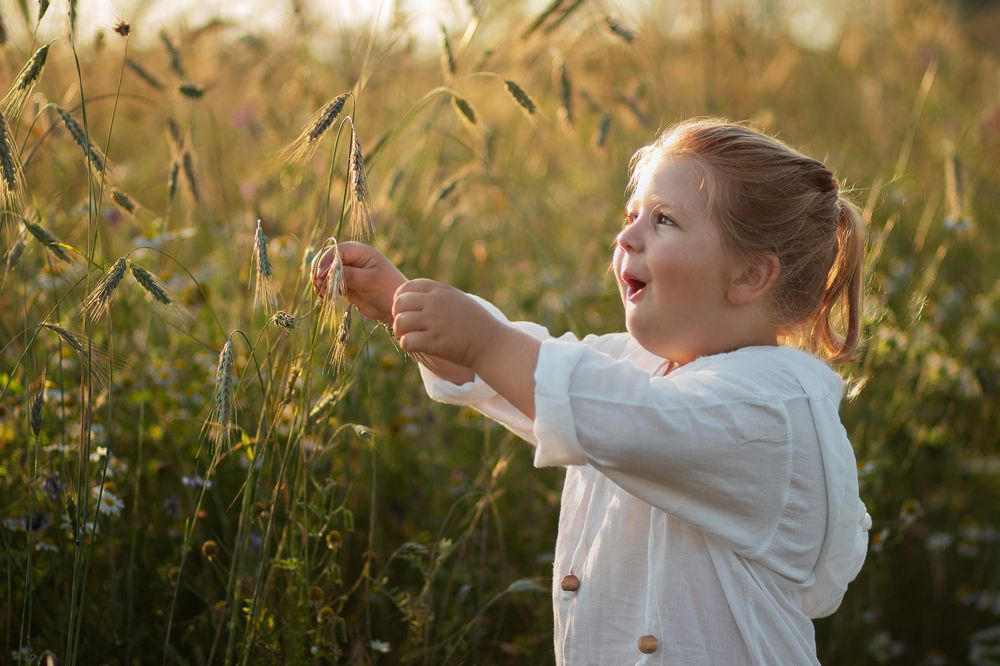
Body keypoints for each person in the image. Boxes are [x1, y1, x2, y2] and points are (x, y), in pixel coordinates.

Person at [312, 118, 872, 665]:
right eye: (631, 215)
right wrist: (402, 304)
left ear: (750, 276)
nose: (627, 236)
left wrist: (483, 342)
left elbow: (626, 418)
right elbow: (532, 378)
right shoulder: (646, 365)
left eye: (664, 221)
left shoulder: (772, 403)